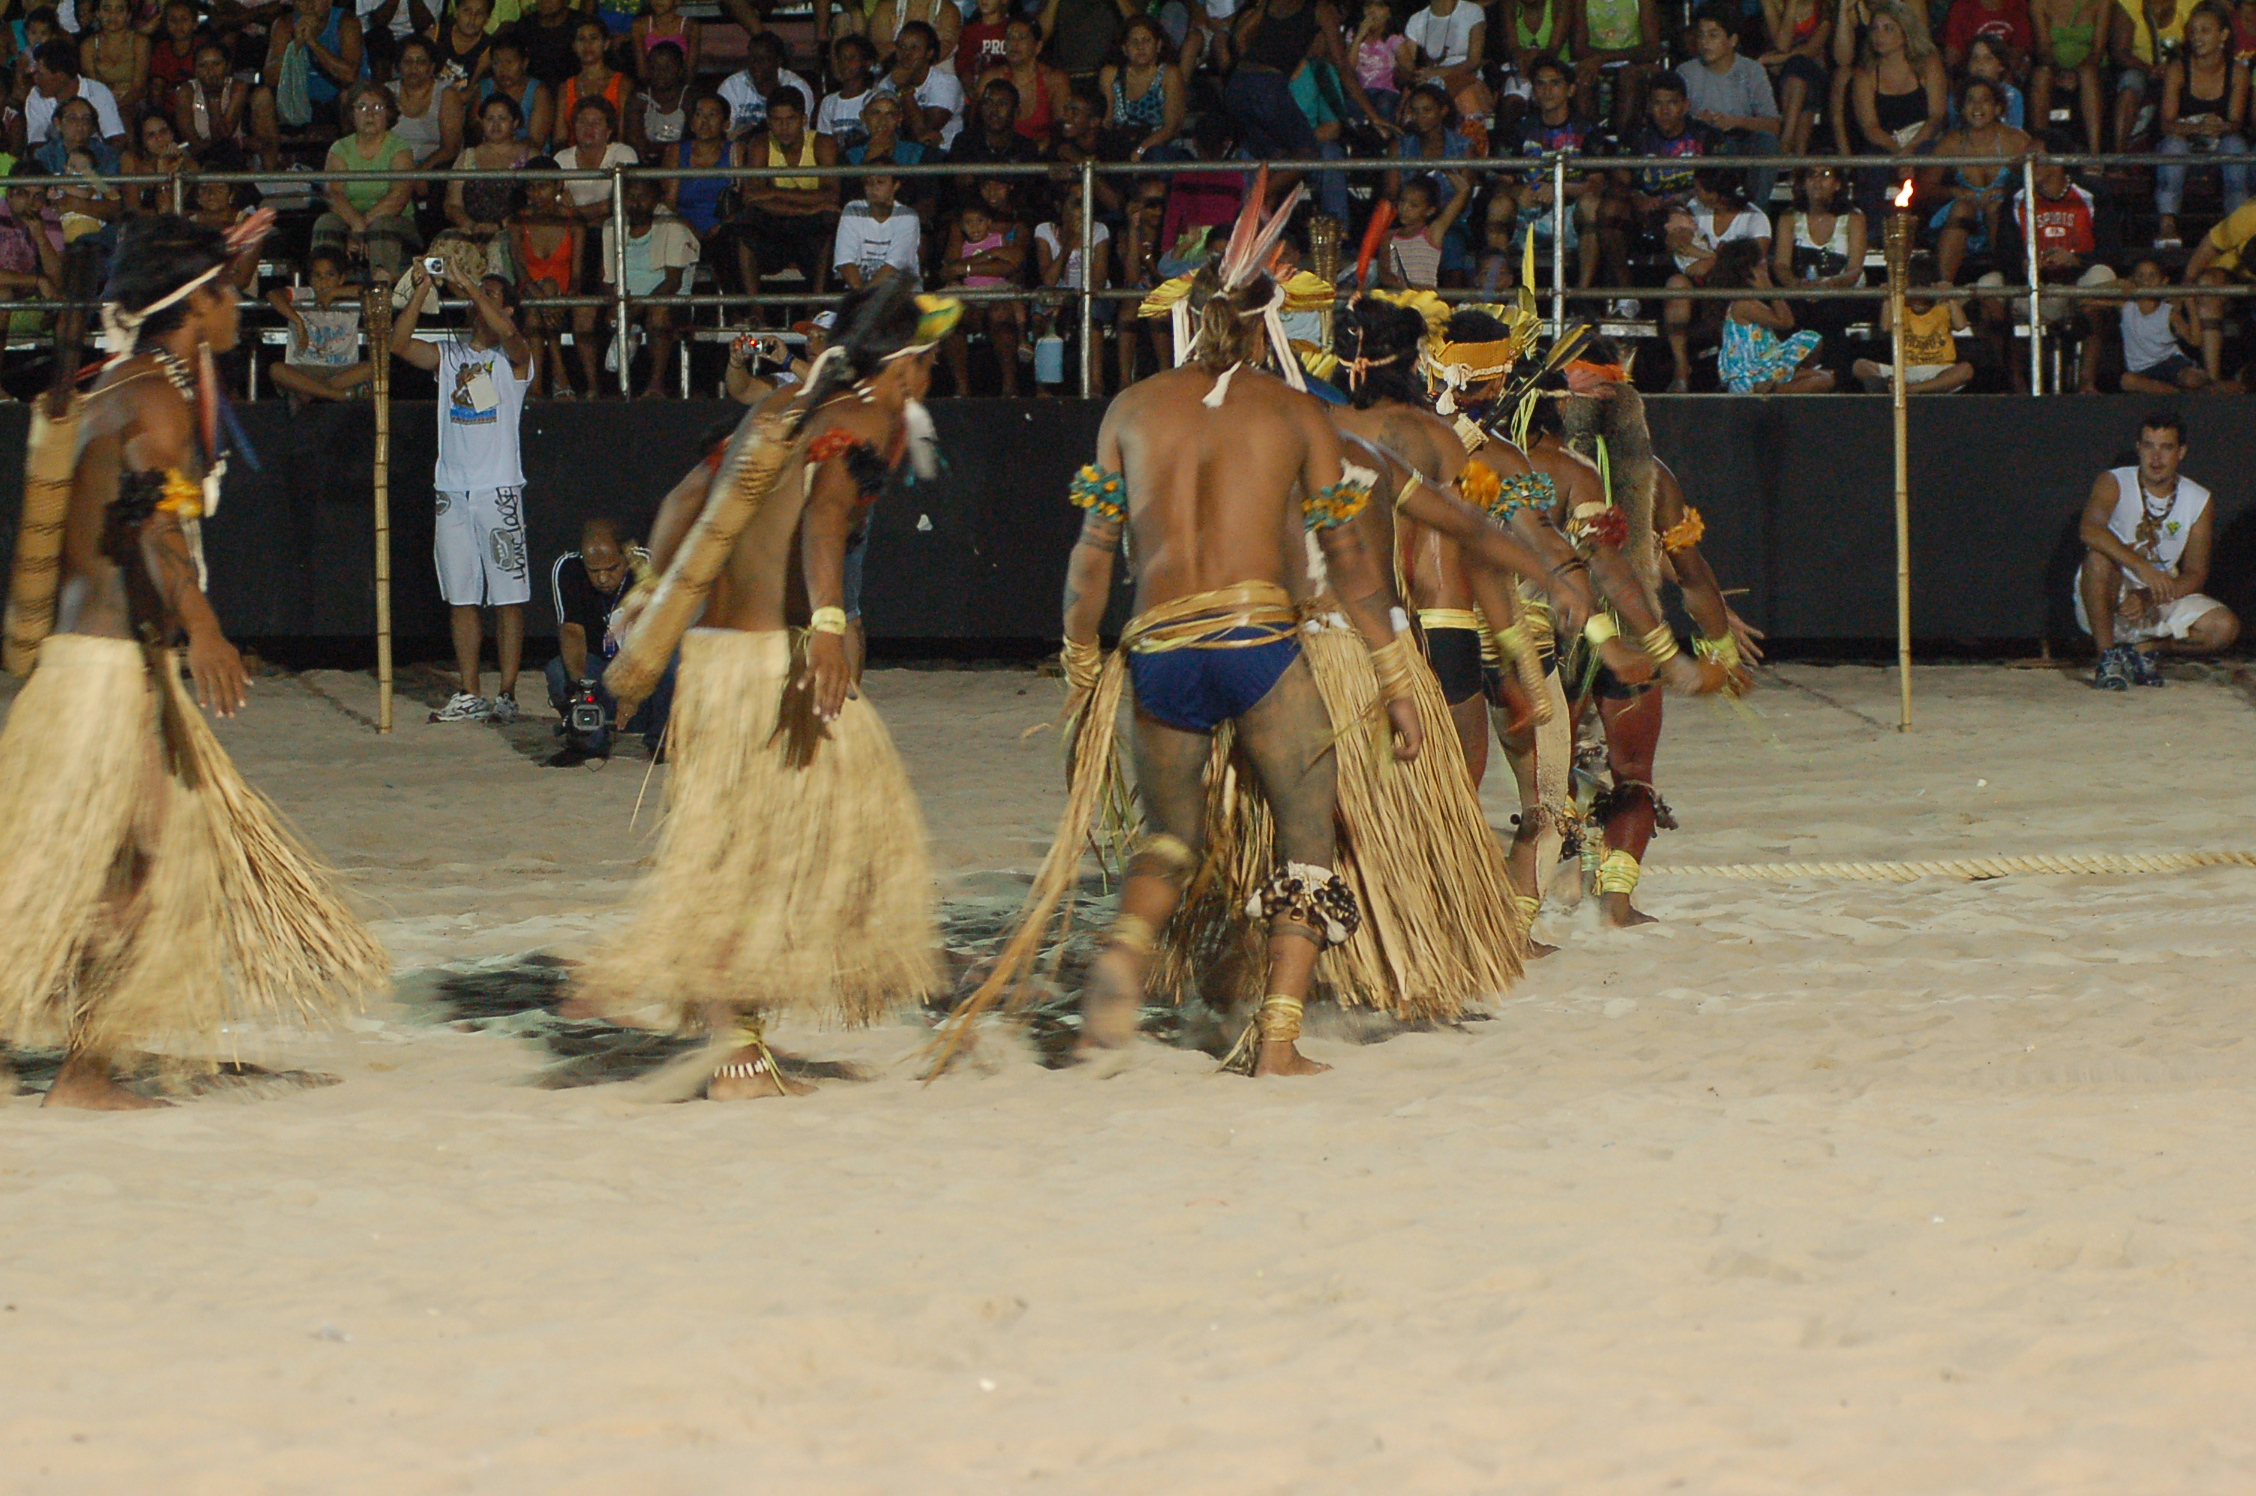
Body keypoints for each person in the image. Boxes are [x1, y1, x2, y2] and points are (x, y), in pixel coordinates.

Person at [951, 212, 1423, 1079]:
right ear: (1266, 321)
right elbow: (1348, 557)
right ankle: (1276, 1043)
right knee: (1307, 835)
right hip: (1257, 640)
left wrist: (1084, 664)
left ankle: (1124, 960)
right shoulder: (1294, 412)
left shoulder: (1131, 409)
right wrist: (1393, 674)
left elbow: (1092, 554)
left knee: (1169, 838)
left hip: (1160, 644)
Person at [0, 213, 385, 1109]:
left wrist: (226, 250)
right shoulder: (156, 400)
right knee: (148, 864)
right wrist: (205, 627)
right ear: (191, 304)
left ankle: (83, 1059)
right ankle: (84, 1073)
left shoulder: (129, 382)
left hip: (91, 667)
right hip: (108, 674)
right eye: (228, 291)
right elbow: (152, 517)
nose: (240, 304)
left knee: (109, 866)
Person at [574, 285, 957, 1100]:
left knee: (741, 853)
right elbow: (825, 519)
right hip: (767, 663)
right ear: (899, 366)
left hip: (713, 661)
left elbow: (682, 502)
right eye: (924, 363)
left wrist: (646, 597)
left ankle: (739, 1043)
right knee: (794, 853)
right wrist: (826, 623)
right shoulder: (871, 419)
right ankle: (734, 1055)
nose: (928, 380)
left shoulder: (779, 405)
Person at [1550, 355, 1754, 927]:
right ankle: (1617, 900)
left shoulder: (1540, 466)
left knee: (1548, 773)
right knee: (1632, 770)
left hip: (1555, 635)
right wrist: (1721, 650)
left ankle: (1548, 884)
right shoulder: (1655, 475)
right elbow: (1690, 573)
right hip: (1631, 639)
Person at [390, 258, 535, 721]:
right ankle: (470, 692)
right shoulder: (450, 356)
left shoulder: (515, 359)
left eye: (494, 295)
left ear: (508, 306)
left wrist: (470, 285)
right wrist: (423, 287)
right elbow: (398, 345)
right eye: (480, 295)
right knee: (462, 596)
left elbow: (509, 334)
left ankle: (507, 693)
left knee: (508, 595)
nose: (481, 300)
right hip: (452, 489)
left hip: (498, 489)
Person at [2075, 411, 2240, 689]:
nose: (2156, 457)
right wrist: (2141, 568)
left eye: (2166, 447)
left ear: (2181, 452)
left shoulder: (2198, 499)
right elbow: (2089, 530)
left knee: (2224, 627)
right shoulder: (2114, 481)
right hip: (2109, 597)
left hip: (2158, 596)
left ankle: (2145, 651)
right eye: (2149, 446)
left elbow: (2195, 573)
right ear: (2138, 448)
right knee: (2098, 557)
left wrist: (2149, 596)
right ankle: (2108, 658)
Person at [544, 515, 672, 762]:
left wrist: (632, 689)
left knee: (674, 660)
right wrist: (580, 685)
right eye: (594, 571)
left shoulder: (646, 566)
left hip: (642, 674)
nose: (602, 578)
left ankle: (661, 742)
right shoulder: (568, 568)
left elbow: (653, 637)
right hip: (601, 674)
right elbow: (572, 631)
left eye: (611, 569)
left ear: (626, 556)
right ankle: (589, 741)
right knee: (558, 670)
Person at [734, 91, 838, 319]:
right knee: (744, 224)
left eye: (790, 119)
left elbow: (831, 197)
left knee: (830, 223)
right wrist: (808, 206)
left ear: (803, 119)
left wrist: (772, 193)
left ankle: (816, 309)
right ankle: (755, 310)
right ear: (768, 121)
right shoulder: (761, 144)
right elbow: (751, 196)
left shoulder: (822, 143)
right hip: (778, 223)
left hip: (809, 226)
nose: (784, 127)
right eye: (777, 120)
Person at [2153, 0, 2248, 249]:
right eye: (2193, 31)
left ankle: (2236, 227)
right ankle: (2167, 224)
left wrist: (2221, 126)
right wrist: (2197, 128)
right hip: (2185, 144)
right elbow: (2166, 124)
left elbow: (2236, 122)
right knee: (2173, 147)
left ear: (2223, 35)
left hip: (2220, 146)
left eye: (2205, 31)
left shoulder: (2237, 72)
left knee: (2236, 146)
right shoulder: (2178, 68)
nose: (2197, 37)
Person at [1920, 75, 2033, 283]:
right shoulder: (1950, 143)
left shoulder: (2016, 140)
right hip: (1964, 219)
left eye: (1985, 100)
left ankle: (2005, 283)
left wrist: (2007, 193)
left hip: (2001, 218)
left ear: (1998, 108)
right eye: (1970, 100)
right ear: (1962, 109)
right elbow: (1925, 189)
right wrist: (1957, 192)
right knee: (1962, 208)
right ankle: (1943, 290)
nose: (1977, 106)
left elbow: (2038, 181)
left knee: (1996, 207)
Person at [599, 174, 697, 398]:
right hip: (628, 299)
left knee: (659, 313)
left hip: (668, 300)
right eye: (630, 197)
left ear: (656, 199)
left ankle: (656, 385)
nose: (636, 203)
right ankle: (598, 389)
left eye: (642, 197)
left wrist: (633, 310)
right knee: (585, 313)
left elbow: (673, 281)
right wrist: (614, 302)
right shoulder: (611, 226)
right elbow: (606, 276)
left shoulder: (673, 225)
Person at [1678, 5, 1782, 210]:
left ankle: (1755, 212)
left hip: (1743, 142)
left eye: (1713, 35)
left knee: (1767, 143)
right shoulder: (1686, 72)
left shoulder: (1752, 71)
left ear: (1732, 40)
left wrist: (1734, 122)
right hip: (1705, 146)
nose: (1704, 42)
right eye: (1701, 35)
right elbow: (1674, 123)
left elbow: (1773, 125)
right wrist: (1698, 122)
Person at [312, 80, 418, 281]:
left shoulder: (400, 148)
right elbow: (334, 194)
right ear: (352, 114)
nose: (369, 114)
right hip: (350, 221)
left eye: (377, 107)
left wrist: (362, 226)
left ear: (388, 113)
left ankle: (382, 292)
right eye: (361, 107)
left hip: (393, 222)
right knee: (326, 223)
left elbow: (399, 196)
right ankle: (326, 290)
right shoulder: (339, 149)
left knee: (381, 227)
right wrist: (355, 224)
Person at [1714, 237, 1834, 392]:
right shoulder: (1742, 304)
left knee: (1824, 374)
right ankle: (1769, 392)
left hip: (1767, 368)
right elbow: (1786, 321)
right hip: (1748, 376)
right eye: (1760, 266)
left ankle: (1779, 384)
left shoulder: (1751, 301)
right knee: (1819, 382)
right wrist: (1769, 288)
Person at [266, 245, 373, 402]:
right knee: (276, 370)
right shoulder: (304, 294)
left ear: (342, 278)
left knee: (373, 367)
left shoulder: (349, 298)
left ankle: (310, 392)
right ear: (310, 279)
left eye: (330, 275)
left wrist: (335, 293)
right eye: (318, 276)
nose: (324, 282)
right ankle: (336, 394)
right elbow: (273, 295)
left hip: (342, 371)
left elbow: (374, 292)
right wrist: (297, 321)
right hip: (304, 369)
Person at [509, 161, 581, 396]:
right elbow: (521, 271)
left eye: (542, 187)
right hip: (529, 293)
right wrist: (544, 301)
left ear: (558, 184)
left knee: (548, 289)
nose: (536, 194)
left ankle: (535, 385)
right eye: (530, 188)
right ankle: (559, 370)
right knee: (538, 301)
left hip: (562, 297)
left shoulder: (574, 221)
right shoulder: (519, 220)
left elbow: (577, 275)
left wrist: (562, 302)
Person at [1854, 254, 1975, 391]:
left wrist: (1951, 297)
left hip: (1939, 371)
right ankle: (1892, 385)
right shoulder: (1900, 305)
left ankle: (1913, 389)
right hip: (1904, 371)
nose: (1918, 299)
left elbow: (1961, 325)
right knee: (1860, 365)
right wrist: (1888, 298)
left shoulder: (1944, 305)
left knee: (1966, 370)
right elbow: (1885, 327)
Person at [2118, 257, 2226, 392]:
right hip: (2141, 370)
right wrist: (2120, 285)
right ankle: (2173, 392)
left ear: (2164, 281)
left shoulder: (2169, 313)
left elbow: (2195, 340)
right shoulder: (2126, 307)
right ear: (2133, 280)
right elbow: (2092, 296)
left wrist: (2190, 304)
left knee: (2192, 379)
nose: (2146, 281)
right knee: (2127, 381)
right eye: (2140, 276)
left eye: (2152, 276)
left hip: (2170, 364)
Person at [2183, 195, 2256, 378]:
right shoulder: (2251, 212)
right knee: (2208, 286)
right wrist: (2187, 282)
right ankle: (2212, 378)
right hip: (2235, 270)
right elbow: (2210, 245)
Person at [1101, 13, 1188, 160]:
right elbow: (1107, 121)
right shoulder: (1110, 74)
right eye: (1134, 42)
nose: (1140, 47)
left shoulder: (1169, 74)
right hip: (1121, 143)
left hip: (1159, 149)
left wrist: (1140, 150)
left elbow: (1170, 128)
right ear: (1124, 48)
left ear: (1158, 45)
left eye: (1146, 40)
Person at [1573, 0, 1663, 134]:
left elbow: (1652, 49)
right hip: (1594, 61)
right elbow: (1578, 48)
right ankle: (1587, 142)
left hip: (1631, 62)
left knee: (1630, 76)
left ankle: (1622, 142)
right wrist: (1599, 60)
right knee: (1582, 79)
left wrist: (1603, 58)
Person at [21, 38, 128, 151]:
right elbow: (36, 144)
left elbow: (116, 138)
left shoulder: (97, 92)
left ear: (60, 76)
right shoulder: (35, 96)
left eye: (40, 74)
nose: (35, 78)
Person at [2030, 0, 2107, 152]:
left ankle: (2095, 155)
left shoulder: (2102, 3)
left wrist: (2076, 74)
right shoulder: (2039, 3)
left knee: (2087, 74)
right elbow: (2043, 49)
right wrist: (2061, 73)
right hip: (2054, 67)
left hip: (2091, 67)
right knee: (2041, 76)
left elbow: (2097, 50)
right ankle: (2038, 150)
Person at [832, 160, 921, 289]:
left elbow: (893, 268)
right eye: (869, 183)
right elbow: (845, 262)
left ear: (895, 185)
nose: (873, 188)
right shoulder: (853, 209)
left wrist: (865, 299)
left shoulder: (907, 216)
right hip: (860, 295)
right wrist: (862, 297)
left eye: (880, 182)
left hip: (898, 296)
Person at [1759, 0, 1831, 154]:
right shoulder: (1773, 4)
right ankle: (1798, 157)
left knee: (1799, 66)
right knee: (1797, 77)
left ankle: (1786, 140)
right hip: (1783, 74)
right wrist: (1791, 5)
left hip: (1813, 69)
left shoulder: (1823, 7)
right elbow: (1782, 45)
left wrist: (1775, 59)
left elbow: (1810, 50)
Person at [717, 31, 815, 138]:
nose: (755, 65)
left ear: (778, 61)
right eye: (752, 59)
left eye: (762, 60)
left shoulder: (798, 87)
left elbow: (801, 133)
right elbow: (725, 133)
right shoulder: (732, 86)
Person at [78, 0, 151, 121]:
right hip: (101, 101)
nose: (113, 15)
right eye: (107, 9)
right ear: (97, 13)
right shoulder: (88, 46)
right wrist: (107, 105)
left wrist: (118, 105)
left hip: (132, 102)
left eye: (120, 9)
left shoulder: (140, 42)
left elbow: (139, 87)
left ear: (128, 15)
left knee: (123, 117)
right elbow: (93, 86)